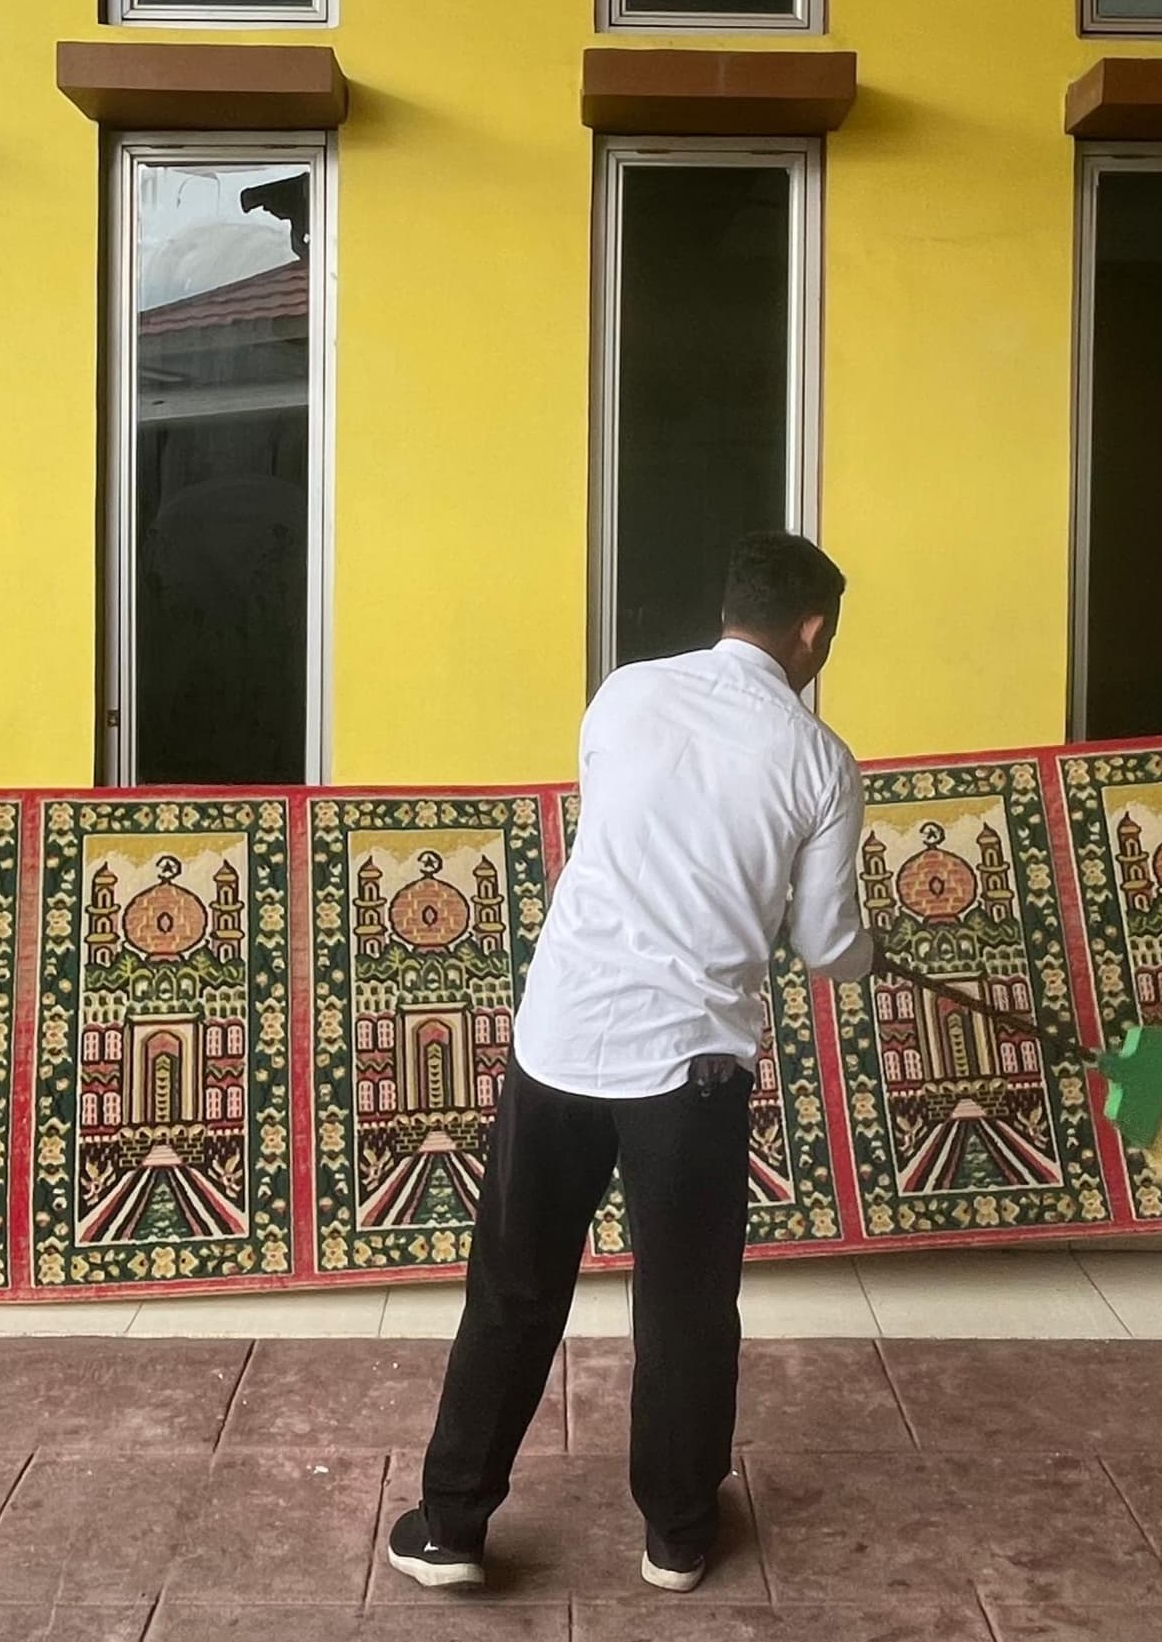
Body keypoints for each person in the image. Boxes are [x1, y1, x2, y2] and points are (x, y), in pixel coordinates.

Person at [388, 531, 874, 1595]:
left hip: (560, 1038)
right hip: (690, 1069)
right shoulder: (819, 761)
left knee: (515, 1288)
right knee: (685, 1307)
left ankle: (450, 1526)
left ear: (729, 608)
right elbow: (825, 941)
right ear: (812, 631)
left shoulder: (624, 694)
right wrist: (857, 947)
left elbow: (633, 833)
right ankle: (677, 1535)